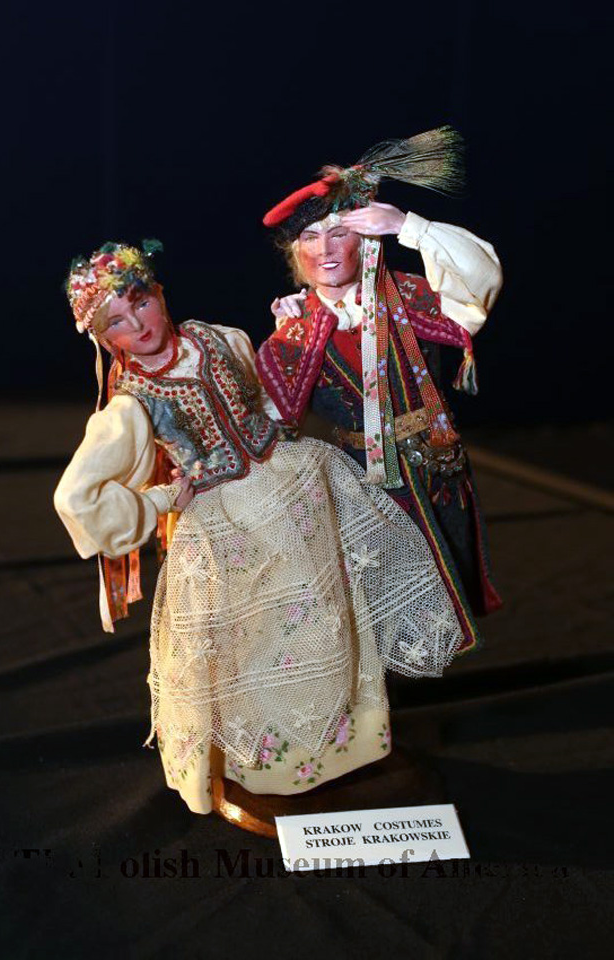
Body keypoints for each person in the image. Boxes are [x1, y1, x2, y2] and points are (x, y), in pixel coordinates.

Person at [55, 240, 472, 816]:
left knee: (324, 617)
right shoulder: (131, 405)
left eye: (142, 302)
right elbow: (77, 497)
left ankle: (342, 750)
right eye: (118, 322)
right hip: (225, 524)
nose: (140, 324)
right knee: (255, 645)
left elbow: (265, 400)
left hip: (294, 492)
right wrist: (162, 498)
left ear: (160, 293)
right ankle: (275, 766)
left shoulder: (217, 338)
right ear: (105, 340)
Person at [257, 127, 503, 653]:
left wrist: (407, 225)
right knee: (374, 622)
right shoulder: (292, 336)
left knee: (439, 611)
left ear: (365, 238)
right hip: (360, 496)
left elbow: (479, 281)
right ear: (295, 254)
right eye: (310, 238)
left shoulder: (409, 297)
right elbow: (268, 426)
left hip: (432, 476)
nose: (326, 250)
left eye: (339, 233)